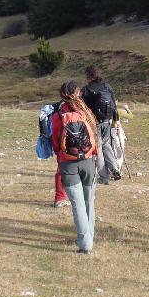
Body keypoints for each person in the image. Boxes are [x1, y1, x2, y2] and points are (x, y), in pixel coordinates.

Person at [51, 81, 102, 254]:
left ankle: (85, 244)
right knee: (89, 201)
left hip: (67, 164)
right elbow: (96, 136)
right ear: (79, 94)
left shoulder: (58, 115)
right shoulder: (86, 112)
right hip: (89, 161)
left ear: (62, 96)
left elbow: (56, 144)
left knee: (77, 204)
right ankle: (89, 237)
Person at [81, 66, 121, 184]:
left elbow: (84, 109)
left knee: (98, 149)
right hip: (107, 121)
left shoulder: (86, 90)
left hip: (94, 123)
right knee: (106, 145)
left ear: (88, 76)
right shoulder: (107, 87)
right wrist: (116, 120)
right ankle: (115, 169)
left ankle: (104, 178)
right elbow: (114, 105)